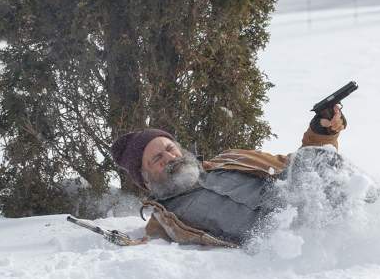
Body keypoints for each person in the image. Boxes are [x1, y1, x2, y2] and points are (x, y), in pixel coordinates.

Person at [110, 105, 346, 247]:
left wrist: (322, 131)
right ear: (146, 179)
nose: (170, 158)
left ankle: (359, 213)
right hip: (281, 238)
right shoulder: (165, 220)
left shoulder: (232, 158)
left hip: (303, 202)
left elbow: (293, 164)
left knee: (319, 157)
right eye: (157, 159)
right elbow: (146, 252)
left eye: (170, 149)